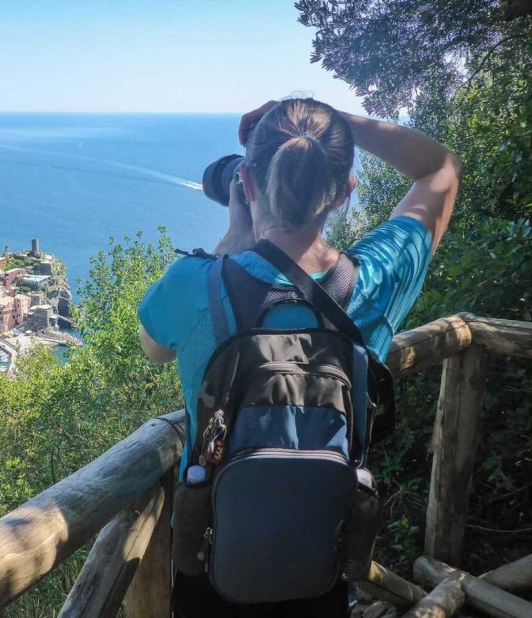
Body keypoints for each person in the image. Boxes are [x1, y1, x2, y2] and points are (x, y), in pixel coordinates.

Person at [137, 98, 461, 618]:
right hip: (322, 556)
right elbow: (440, 168)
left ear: (244, 182)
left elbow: (152, 349)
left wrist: (231, 242)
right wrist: (337, 121)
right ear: (344, 190)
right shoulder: (373, 282)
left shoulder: (194, 284)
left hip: (213, 561)